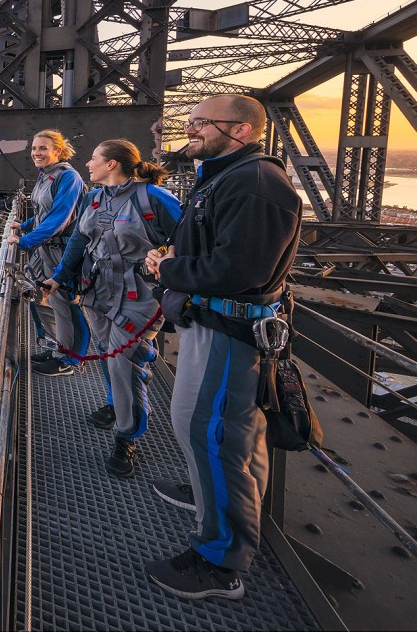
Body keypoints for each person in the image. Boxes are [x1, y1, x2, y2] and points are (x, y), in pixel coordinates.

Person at [142, 95, 302, 601]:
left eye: (200, 123)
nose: (190, 131)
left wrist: (167, 269)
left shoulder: (256, 185)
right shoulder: (229, 176)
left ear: (241, 130)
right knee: (230, 436)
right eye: (189, 122)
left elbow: (240, 270)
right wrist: (177, 257)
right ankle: (210, 488)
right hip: (216, 324)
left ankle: (219, 562)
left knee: (207, 431)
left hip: (228, 333)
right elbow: (217, 250)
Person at [44, 139, 181, 478]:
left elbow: (191, 241)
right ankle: (114, 403)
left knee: (125, 364)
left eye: (93, 158)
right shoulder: (93, 198)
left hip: (139, 297)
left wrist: (169, 260)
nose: (87, 164)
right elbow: (79, 241)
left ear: (113, 164)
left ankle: (127, 436)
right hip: (98, 290)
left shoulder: (155, 199)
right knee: (107, 352)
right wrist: (59, 279)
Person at [7, 129, 87, 376]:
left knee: (68, 304)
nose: (36, 153)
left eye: (43, 148)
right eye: (34, 148)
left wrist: (24, 242)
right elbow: (44, 213)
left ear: (58, 151)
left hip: (64, 249)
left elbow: (60, 219)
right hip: (49, 248)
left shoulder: (69, 178)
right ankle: (61, 351)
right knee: (58, 302)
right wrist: (25, 225)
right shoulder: (46, 176)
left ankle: (70, 360)